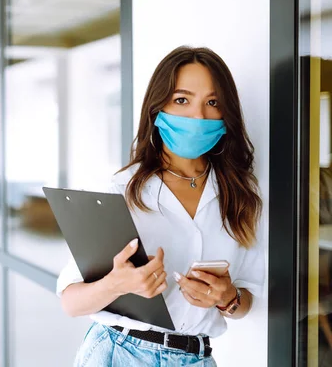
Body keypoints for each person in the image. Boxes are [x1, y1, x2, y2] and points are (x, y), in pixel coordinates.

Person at [57, 46, 264, 366]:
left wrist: (227, 298)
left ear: (227, 115)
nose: (198, 115)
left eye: (212, 103)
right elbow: (71, 302)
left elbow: (248, 299)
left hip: (196, 357)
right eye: (182, 100)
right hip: (119, 352)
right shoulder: (120, 191)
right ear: (157, 109)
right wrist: (115, 284)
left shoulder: (241, 196)